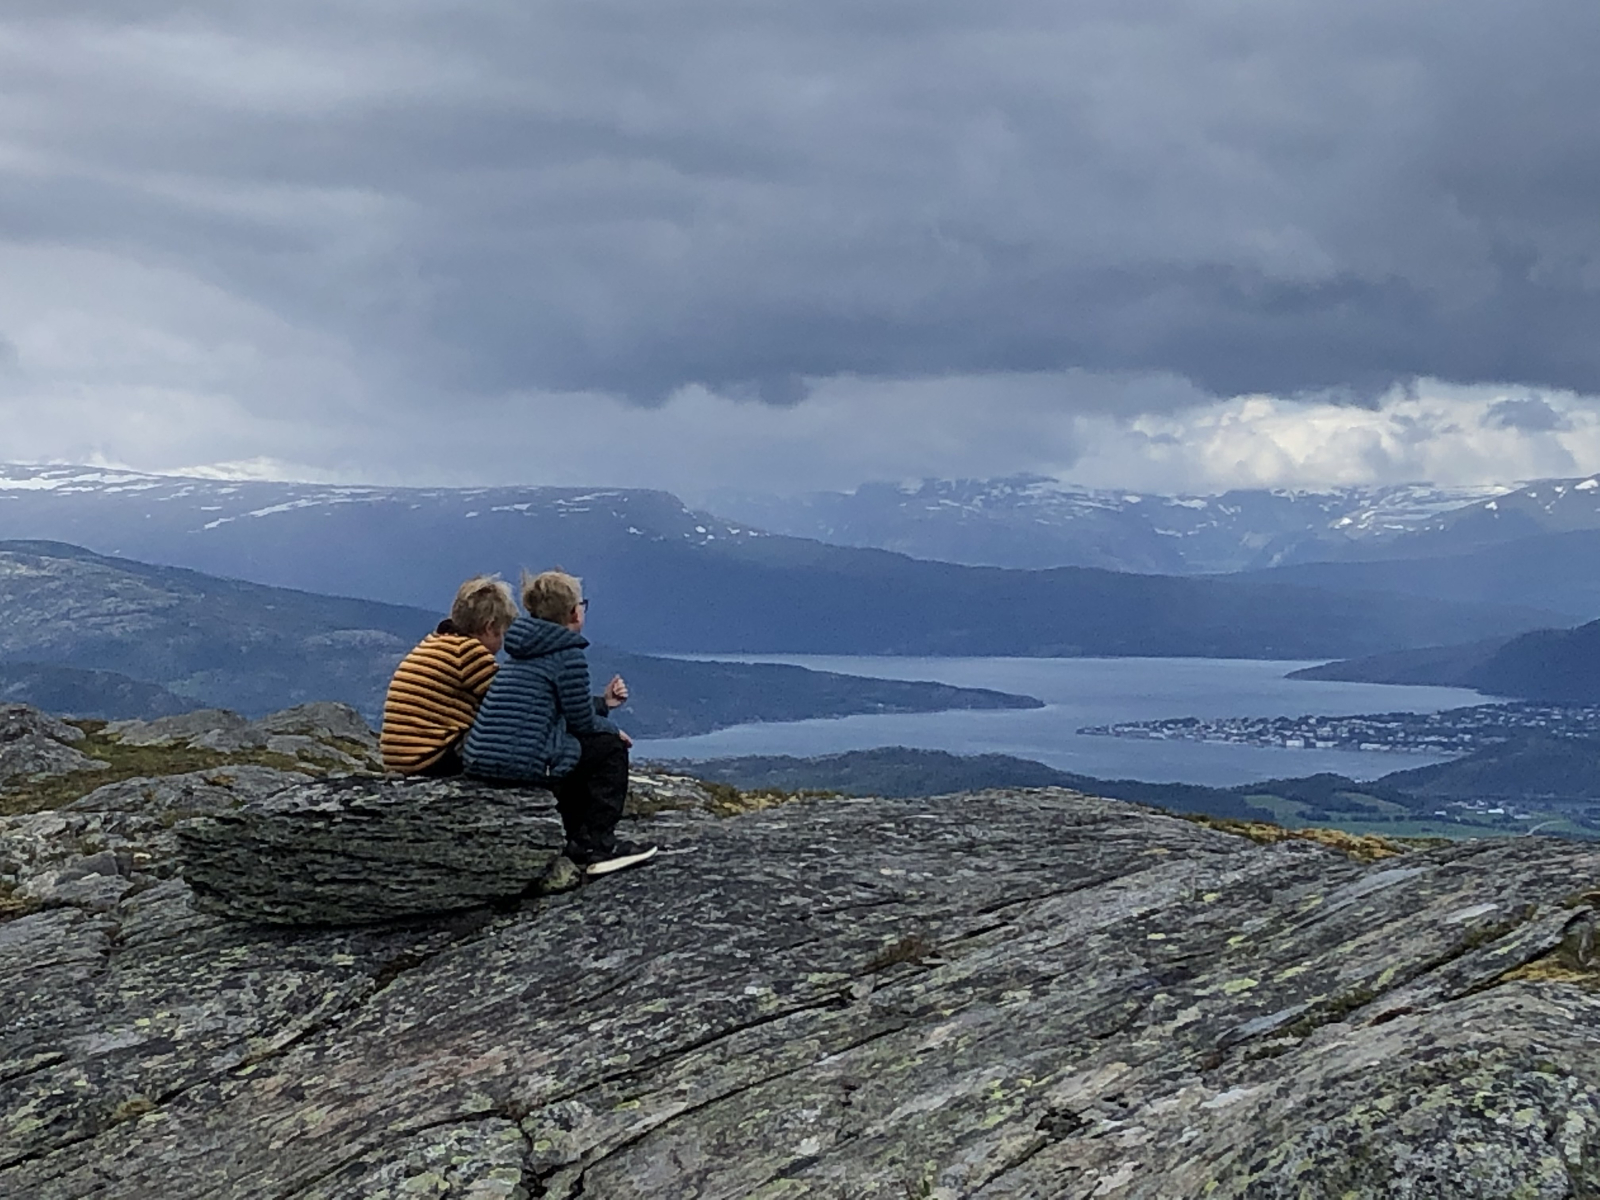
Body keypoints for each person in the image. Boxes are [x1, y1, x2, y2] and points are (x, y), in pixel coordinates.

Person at [463, 569, 657, 876]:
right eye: (581, 605)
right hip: (520, 765)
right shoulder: (567, 655)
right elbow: (581, 722)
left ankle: (571, 837)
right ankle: (596, 846)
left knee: (577, 747)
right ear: (572, 613)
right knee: (608, 748)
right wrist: (613, 731)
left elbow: (559, 710)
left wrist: (603, 704)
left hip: (480, 760)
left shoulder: (523, 648)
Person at [380, 575, 517, 776]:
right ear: (489, 627)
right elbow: (507, 702)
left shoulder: (436, 641)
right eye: (502, 632)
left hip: (400, 759)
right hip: (431, 759)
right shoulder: (468, 652)